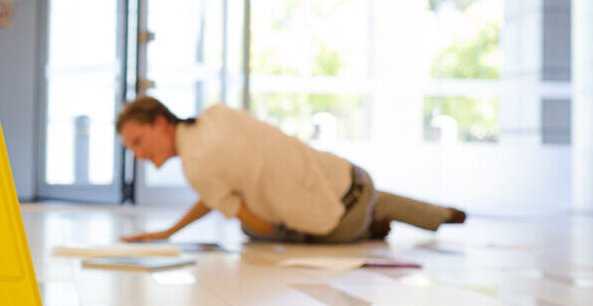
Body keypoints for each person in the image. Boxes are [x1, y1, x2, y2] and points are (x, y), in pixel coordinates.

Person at [116, 96, 466, 244]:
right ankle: (440, 215)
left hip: (339, 228)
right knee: (368, 196)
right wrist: (171, 231)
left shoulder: (196, 169)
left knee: (252, 232)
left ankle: (371, 229)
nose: (138, 155)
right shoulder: (217, 115)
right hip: (353, 177)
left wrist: (277, 230)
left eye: (137, 142)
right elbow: (216, 193)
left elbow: (254, 218)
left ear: (161, 124)